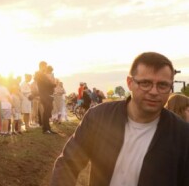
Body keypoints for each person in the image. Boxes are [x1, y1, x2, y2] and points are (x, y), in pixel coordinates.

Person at [51, 52, 189, 186]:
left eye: (162, 85)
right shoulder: (99, 117)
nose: (154, 91)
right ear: (130, 82)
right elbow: (68, 164)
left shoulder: (182, 135)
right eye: (145, 83)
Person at [35, 61, 56, 134]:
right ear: (42, 66)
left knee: (49, 110)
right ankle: (45, 129)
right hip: (43, 95)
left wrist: (53, 84)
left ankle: (48, 128)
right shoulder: (38, 73)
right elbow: (45, 84)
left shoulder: (43, 74)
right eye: (45, 66)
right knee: (46, 111)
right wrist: (52, 83)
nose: (46, 67)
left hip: (48, 94)